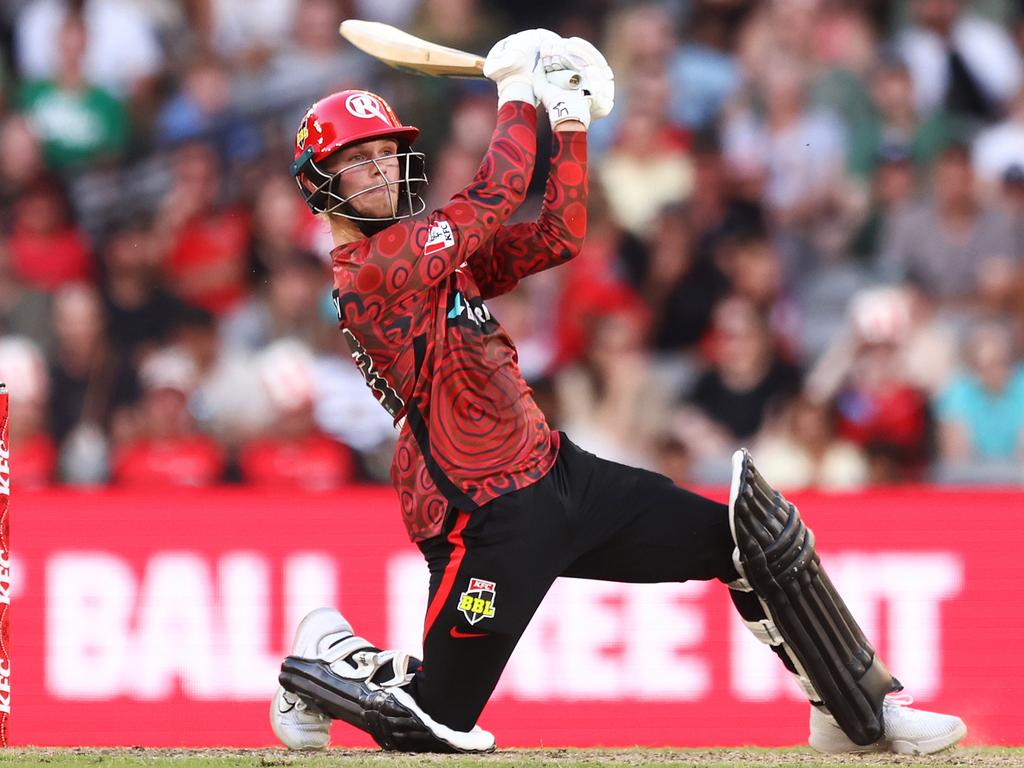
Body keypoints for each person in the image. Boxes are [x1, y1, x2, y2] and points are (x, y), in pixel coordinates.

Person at [270, 29, 966, 756]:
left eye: (387, 154)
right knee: (435, 727)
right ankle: (319, 661)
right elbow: (495, 194)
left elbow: (558, 236)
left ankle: (858, 710)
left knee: (750, 544)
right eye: (358, 162)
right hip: (482, 512)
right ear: (321, 182)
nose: (381, 172)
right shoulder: (372, 267)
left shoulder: (426, 250)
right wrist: (516, 94)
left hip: (558, 473)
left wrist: (568, 122)